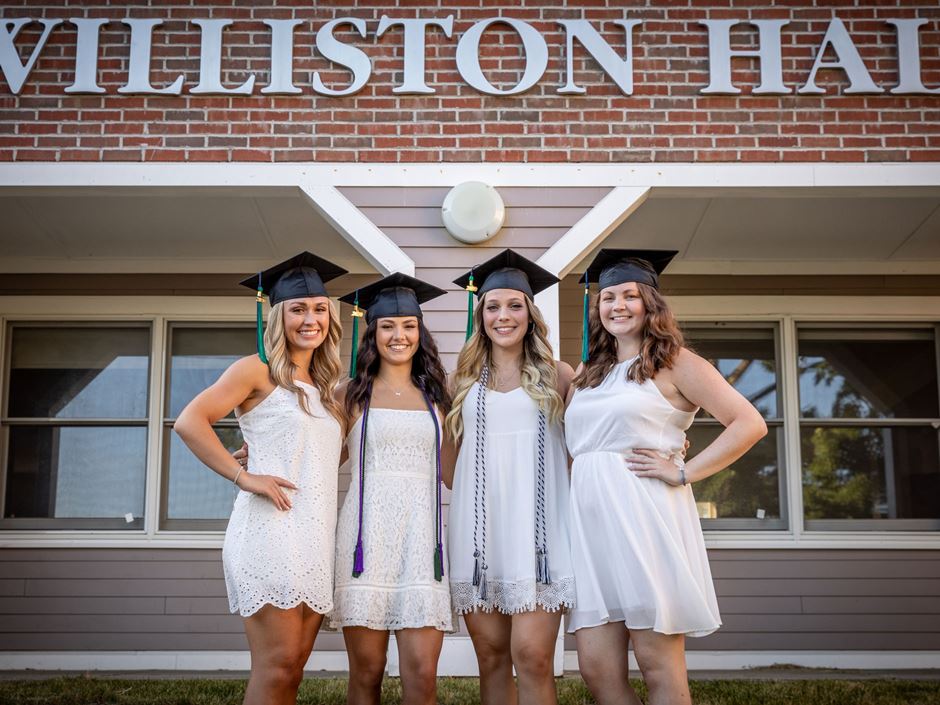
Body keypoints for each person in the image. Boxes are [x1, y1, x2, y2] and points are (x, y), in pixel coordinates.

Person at [565, 249, 768, 705]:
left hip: (644, 521)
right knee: (596, 671)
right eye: (608, 296)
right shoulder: (588, 373)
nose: (617, 305)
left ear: (651, 303)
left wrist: (683, 471)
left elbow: (748, 423)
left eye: (630, 296)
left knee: (658, 667)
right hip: (590, 530)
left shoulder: (676, 362)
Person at [174, 252, 346, 705]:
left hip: (313, 536)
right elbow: (190, 421)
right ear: (277, 316)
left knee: (293, 670)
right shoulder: (256, 369)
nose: (311, 319)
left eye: (319, 309)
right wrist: (244, 476)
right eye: (298, 309)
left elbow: (327, 455)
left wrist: (276, 449)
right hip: (270, 532)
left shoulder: (325, 385)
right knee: (278, 666)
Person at [445, 250, 577, 705]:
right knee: (491, 656)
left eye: (514, 306)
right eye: (493, 307)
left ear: (530, 314)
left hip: (540, 540)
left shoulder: (559, 377)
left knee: (533, 656)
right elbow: (447, 468)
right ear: (480, 316)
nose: (504, 316)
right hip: (480, 538)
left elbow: (592, 442)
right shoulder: (459, 383)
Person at [332, 273, 454, 705]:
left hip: (422, 542)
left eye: (408, 326)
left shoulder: (439, 395)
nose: (399, 336)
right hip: (366, 541)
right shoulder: (348, 394)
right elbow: (323, 460)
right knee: (366, 673)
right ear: (372, 333)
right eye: (388, 326)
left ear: (420, 332)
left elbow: (454, 473)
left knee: (422, 675)